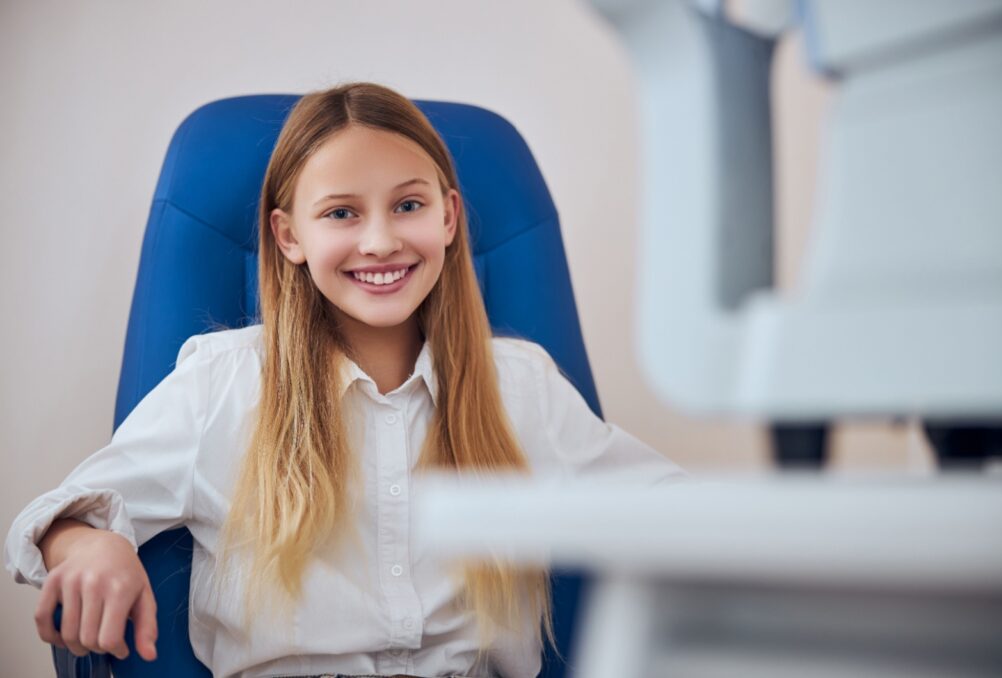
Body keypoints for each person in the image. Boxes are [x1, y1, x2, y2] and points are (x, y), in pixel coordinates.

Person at [5, 82, 684, 678]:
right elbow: (60, 512)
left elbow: (677, 513)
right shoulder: (225, 384)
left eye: (408, 206)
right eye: (341, 213)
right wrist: (88, 543)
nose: (382, 240)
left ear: (449, 218)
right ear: (288, 236)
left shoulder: (521, 389)